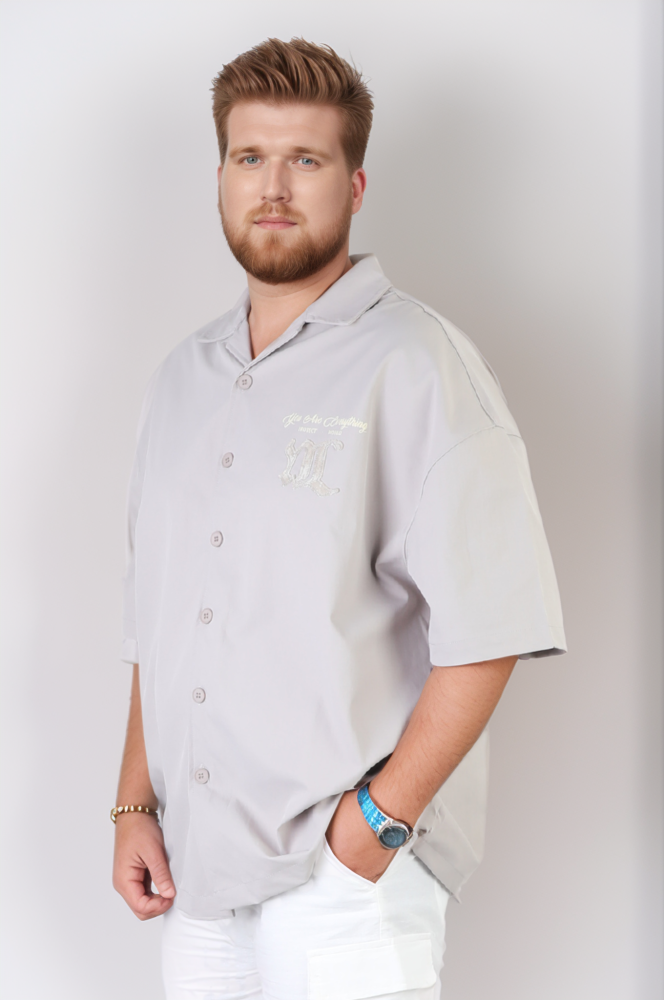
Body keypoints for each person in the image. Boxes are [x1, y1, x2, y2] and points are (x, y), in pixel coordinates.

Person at [112, 37, 566, 999]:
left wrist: (375, 827)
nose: (273, 187)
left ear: (354, 187)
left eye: (306, 160)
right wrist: (134, 805)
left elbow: (492, 628)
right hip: (198, 872)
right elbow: (164, 618)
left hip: (342, 883)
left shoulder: (421, 365)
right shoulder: (182, 379)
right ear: (221, 178)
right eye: (250, 157)